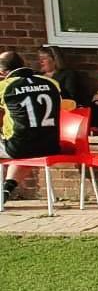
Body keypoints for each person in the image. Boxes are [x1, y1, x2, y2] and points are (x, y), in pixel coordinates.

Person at [1, 51, 64, 199]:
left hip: (19, 147)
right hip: (50, 146)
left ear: (2, 72)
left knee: (21, 143)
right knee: (27, 143)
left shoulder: (4, 86)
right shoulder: (51, 82)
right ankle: (6, 190)